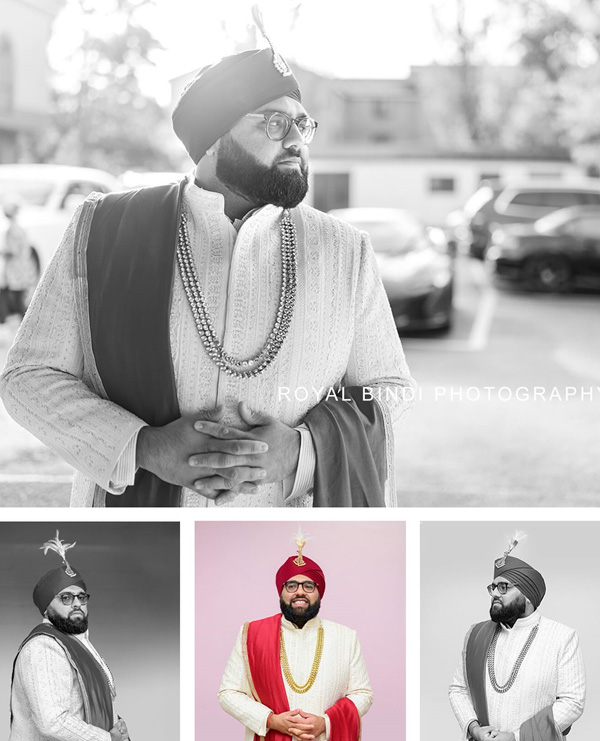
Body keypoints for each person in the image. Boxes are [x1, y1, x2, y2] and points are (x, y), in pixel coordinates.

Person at [0, 42, 414, 508]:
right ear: (214, 139)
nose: (296, 139)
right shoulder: (104, 229)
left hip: (287, 553)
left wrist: (304, 450)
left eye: (302, 124)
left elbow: (388, 388)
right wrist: (144, 447)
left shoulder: (345, 251)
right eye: (274, 122)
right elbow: (28, 377)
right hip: (139, 547)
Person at [218, 539, 372, 741]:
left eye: (308, 586)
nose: (300, 592)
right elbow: (228, 693)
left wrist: (326, 723)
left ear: (319, 592)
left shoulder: (346, 637)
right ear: (281, 591)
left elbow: (362, 693)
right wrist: (272, 720)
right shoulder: (252, 634)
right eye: (291, 585)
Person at [5, 532, 147, 741]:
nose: (77, 605)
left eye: (81, 597)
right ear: (46, 608)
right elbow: (51, 721)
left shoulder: (77, 646)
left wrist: (114, 723)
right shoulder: (43, 648)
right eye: (66, 598)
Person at [448, 537, 585, 741]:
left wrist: (518, 739)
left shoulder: (561, 637)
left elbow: (573, 701)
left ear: (527, 594)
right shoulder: (475, 635)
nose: (495, 594)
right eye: (493, 587)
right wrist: (475, 729)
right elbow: (458, 689)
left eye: (504, 587)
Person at [0, 196, 31, 323]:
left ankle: (20, 319)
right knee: (17, 294)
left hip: (14, 267)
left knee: (15, 296)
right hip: (20, 266)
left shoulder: (11, 229)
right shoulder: (20, 228)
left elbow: (12, 251)